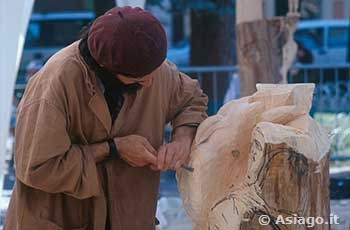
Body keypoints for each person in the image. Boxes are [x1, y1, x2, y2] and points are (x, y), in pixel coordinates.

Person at [4, 6, 208, 230]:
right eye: (139, 80)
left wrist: (182, 138)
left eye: (153, 74)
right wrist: (113, 149)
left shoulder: (151, 68)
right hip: (60, 220)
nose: (150, 83)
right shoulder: (54, 85)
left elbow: (191, 98)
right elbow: (37, 167)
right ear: (105, 68)